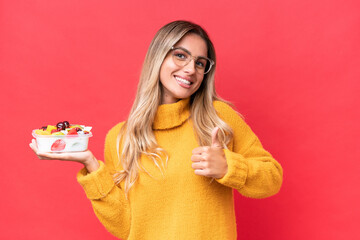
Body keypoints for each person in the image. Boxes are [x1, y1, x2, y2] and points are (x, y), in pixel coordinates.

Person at [30, 20, 283, 240]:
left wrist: (230, 167)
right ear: (158, 57)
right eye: (181, 55)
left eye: (200, 62)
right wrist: (91, 166)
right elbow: (126, 227)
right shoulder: (121, 138)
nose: (190, 69)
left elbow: (272, 178)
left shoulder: (217, 119)